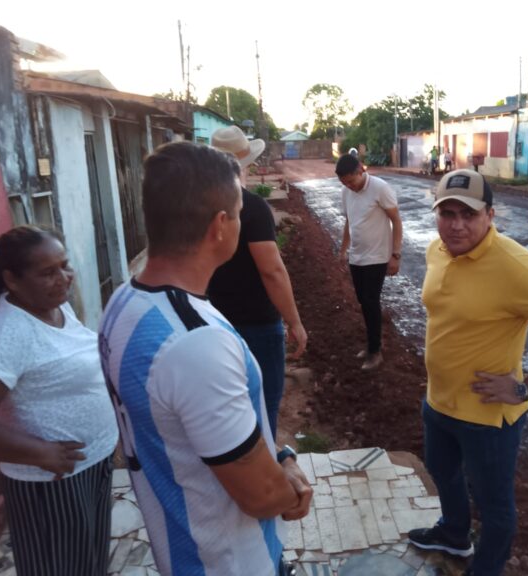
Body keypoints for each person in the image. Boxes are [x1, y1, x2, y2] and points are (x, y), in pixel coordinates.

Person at [99, 142, 312, 576]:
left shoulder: (123, 303)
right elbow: (259, 496)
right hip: (229, 561)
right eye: (237, 210)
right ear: (220, 225)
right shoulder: (195, 344)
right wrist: (292, 489)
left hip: (180, 551)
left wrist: (280, 452)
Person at [408, 170, 528, 576]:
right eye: (447, 213)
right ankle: (454, 535)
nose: (456, 225)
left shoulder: (516, 265)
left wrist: (526, 390)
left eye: (468, 214)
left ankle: (485, 569)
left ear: (490, 215)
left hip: (487, 417)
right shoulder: (438, 250)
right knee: (442, 471)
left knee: (495, 507)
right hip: (439, 400)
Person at [0, 225, 119, 576]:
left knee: (88, 566)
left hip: (89, 466)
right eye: (47, 273)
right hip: (52, 486)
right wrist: (40, 452)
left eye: (64, 265)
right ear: (11, 279)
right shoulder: (9, 333)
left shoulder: (55, 306)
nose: (64, 278)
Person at [208, 125, 307, 439]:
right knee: (262, 406)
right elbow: (272, 271)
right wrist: (294, 321)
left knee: (224, 408)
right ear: (244, 163)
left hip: (212, 321)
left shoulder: (198, 206)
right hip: (256, 325)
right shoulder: (251, 207)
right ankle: (267, 478)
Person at [335, 153, 403, 370]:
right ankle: (372, 343)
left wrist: (395, 254)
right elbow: (349, 221)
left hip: (377, 257)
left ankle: (375, 351)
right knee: (363, 301)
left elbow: (396, 220)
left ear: (361, 171)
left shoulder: (380, 188)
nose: (349, 186)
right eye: (344, 183)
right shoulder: (346, 191)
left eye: (351, 181)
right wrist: (344, 248)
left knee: (371, 302)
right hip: (357, 256)